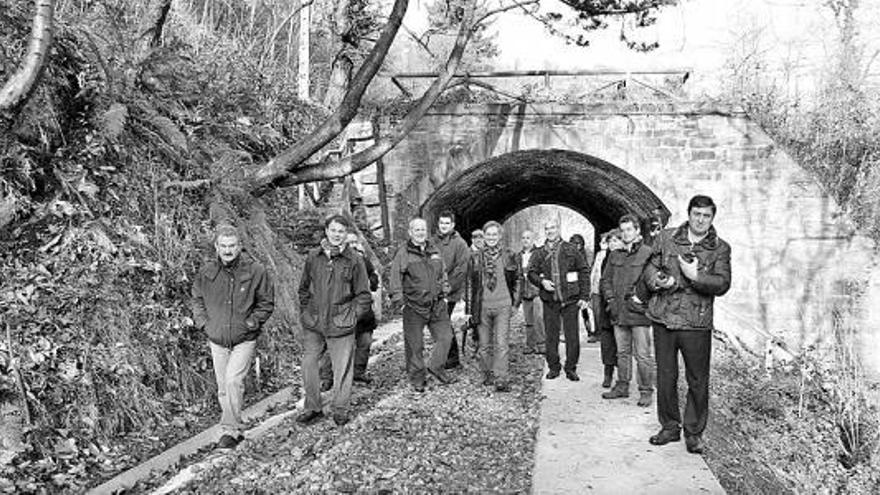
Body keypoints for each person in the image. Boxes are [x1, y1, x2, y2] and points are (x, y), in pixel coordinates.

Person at [643, 195, 731, 455]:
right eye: (697, 214)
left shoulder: (720, 248)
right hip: (664, 318)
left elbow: (722, 284)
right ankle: (670, 427)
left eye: (706, 216)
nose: (701, 220)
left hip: (696, 323)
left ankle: (694, 433)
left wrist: (695, 276)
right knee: (666, 375)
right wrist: (658, 281)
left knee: (697, 380)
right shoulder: (667, 237)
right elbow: (650, 266)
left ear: (712, 218)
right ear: (689, 214)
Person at [191, 224, 275, 449]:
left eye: (232, 246)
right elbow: (197, 299)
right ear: (216, 247)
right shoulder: (207, 272)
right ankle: (235, 428)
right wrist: (204, 324)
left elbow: (266, 303)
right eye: (223, 246)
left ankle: (230, 430)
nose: (228, 250)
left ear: (240, 246)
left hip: (244, 338)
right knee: (222, 386)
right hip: (216, 337)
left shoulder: (255, 271)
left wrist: (252, 323)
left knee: (233, 381)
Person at [296, 215, 372, 427]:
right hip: (315, 322)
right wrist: (306, 311)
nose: (336, 234)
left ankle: (340, 409)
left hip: (341, 322)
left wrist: (351, 316)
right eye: (333, 230)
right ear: (326, 231)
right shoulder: (314, 256)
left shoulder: (354, 260)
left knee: (342, 368)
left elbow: (364, 295)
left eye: (341, 231)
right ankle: (313, 407)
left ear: (346, 234)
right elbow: (303, 288)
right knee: (309, 364)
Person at [389, 218, 458, 392]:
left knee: (446, 337)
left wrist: (445, 287)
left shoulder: (433, 250)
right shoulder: (404, 253)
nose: (420, 232)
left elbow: (442, 272)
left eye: (423, 229)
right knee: (415, 345)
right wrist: (400, 301)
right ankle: (417, 377)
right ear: (410, 232)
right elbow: (395, 276)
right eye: (417, 230)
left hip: (436, 304)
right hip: (414, 306)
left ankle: (436, 366)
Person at [600, 214, 655, 407]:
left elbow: (653, 281)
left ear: (638, 231)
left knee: (642, 355)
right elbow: (605, 280)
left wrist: (642, 299)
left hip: (639, 312)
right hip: (618, 311)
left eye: (629, 229)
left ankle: (646, 390)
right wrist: (611, 299)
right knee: (622, 352)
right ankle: (622, 385)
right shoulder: (615, 255)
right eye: (622, 230)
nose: (625, 233)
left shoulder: (648, 253)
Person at [527, 219, 590, 381]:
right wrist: (542, 282)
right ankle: (554, 367)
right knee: (551, 336)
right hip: (550, 301)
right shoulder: (539, 253)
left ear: (558, 229)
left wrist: (584, 296)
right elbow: (531, 273)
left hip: (570, 300)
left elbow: (583, 271)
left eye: (553, 227)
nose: (550, 231)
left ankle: (571, 368)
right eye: (547, 228)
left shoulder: (571, 249)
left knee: (572, 336)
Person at [465, 221, 521, 392]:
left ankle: (501, 378)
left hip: (503, 305)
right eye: (488, 235)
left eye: (494, 235)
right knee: (484, 344)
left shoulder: (509, 255)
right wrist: (469, 310)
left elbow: (519, 279)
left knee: (501, 343)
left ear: (500, 236)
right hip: (482, 306)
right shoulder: (475, 257)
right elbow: (469, 284)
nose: (491, 238)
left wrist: (515, 302)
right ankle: (486, 373)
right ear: (483, 236)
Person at [319, 232, 380, 385]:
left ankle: (358, 373)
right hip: (343, 311)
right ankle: (326, 378)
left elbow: (374, 277)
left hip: (364, 313)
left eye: (355, 242)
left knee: (364, 343)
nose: (353, 245)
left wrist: (370, 282)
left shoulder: (364, 260)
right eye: (350, 242)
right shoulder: (336, 261)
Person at [432, 211, 471, 370]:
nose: (444, 226)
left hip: (450, 291)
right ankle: (449, 355)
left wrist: (447, 289)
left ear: (452, 225)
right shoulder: (433, 242)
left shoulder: (460, 244)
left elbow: (461, 269)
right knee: (442, 322)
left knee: (443, 321)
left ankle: (452, 356)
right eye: (442, 223)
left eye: (447, 223)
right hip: (434, 290)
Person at [590, 229, 620, 388]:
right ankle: (608, 373)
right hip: (606, 304)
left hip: (622, 307)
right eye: (611, 240)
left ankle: (622, 377)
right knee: (607, 342)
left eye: (617, 240)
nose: (613, 243)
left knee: (622, 344)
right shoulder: (604, 258)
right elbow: (601, 279)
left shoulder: (626, 257)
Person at [515, 230, 545, 355]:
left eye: (528, 238)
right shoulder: (518, 256)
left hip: (537, 290)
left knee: (538, 318)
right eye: (523, 238)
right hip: (524, 291)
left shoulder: (539, 254)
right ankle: (530, 344)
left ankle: (542, 344)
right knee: (528, 320)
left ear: (533, 239)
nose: (525, 240)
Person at [569, 234, 597, 344]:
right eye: (574, 244)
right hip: (573, 286)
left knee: (585, 312)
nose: (577, 246)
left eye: (578, 244)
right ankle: (571, 334)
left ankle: (591, 332)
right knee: (572, 312)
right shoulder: (569, 255)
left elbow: (588, 271)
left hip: (583, 286)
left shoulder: (586, 256)